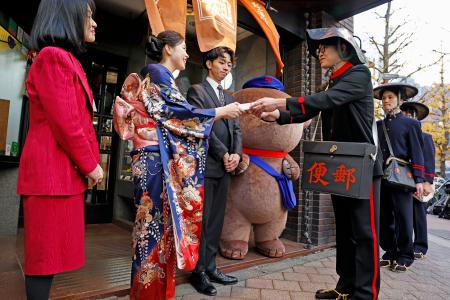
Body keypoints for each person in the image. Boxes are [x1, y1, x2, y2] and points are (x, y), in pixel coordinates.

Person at [250, 27, 383, 300]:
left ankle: (365, 294)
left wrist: (279, 100)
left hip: (362, 165)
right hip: (342, 164)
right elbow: (311, 108)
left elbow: (323, 101)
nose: (319, 52)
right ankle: (345, 288)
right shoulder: (334, 80)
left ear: (344, 48)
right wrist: (278, 115)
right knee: (345, 231)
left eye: (325, 46)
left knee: (364, 232)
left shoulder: (358, 75)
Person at [113, 30, 242, 300]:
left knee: (155, 228)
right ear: (168, 49)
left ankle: (154, 292)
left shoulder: (159, 76)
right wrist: (218, 112)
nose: (187, 53)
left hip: (153, 158)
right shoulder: (158, 74)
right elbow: (179, 116)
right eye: (183, 47)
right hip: (154, 159)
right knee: (153, 227)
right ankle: (149, 294)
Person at [16, 1, 102, 299]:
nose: (93, 23)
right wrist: (92, 165)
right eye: (89, 16)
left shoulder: (64, 58)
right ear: (68, 16)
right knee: (43, 261)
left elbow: (78, 120)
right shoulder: (53, 57)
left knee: (49, 259)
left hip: (60, 175)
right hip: (50, 176)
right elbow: (67, 123)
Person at [186, 47, 241, 296]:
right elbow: (200, 126)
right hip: (206, 166)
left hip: (226, 168)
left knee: (217, 221)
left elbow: (237, 130)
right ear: (209, 63)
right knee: (203, 220)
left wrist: (236, 156)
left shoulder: (230, 98)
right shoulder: (197, 91)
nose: (227, 67)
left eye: (230, 63)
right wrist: (223, 154)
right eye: (222, 62)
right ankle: (198, 272)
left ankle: (211, 267)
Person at [373, 83, 425, 273]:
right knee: (384, 218)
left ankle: (405, 255)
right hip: (381, 177)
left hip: (402, 176)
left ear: (400, 100)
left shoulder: (411, 124)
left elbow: (417, 153)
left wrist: (419, 180)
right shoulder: (377, 126)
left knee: (404, 217)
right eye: (384, 98)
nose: (386, 101)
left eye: (390, 98)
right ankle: (390, 252)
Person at [400, 101, 435, 259]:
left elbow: (429, 160)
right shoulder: (399, 135)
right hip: (402, 179)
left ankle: (420, 246)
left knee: (419, 214)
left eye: (411, 114)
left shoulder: (425, 137)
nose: (407, 116)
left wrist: (427, 181)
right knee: (402, 215)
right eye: (405, 113)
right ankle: (403, 246)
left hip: (419, 180)